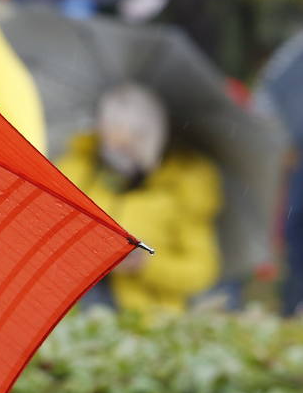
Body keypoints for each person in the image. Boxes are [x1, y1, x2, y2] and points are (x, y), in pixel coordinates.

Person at [58, 82, 222, 312]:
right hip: (73, 305)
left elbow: (201, 270)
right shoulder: (78, 171)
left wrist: (145, 264)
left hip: (143, 319)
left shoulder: (180, 188)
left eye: (134, 136)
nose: (120, 143)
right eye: (113, 130)